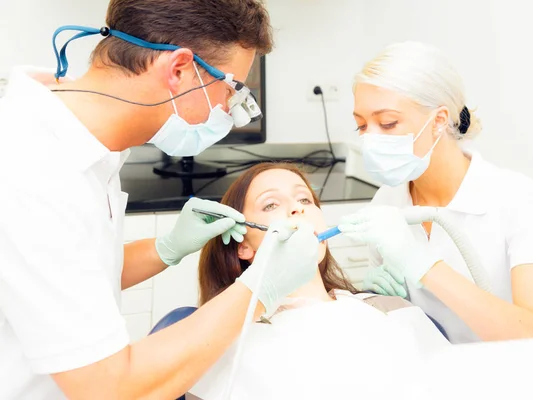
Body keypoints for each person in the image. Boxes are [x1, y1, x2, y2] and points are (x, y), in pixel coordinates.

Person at [0, 1, 319, 399]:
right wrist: (259, 290)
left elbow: (70, 274)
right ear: (179, 70)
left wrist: (166, 248)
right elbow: (111, 390)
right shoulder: (31, 167)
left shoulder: (88, 142)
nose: (228, 111)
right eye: (231, 91)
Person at [340, 41, 533, 344]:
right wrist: (376, 298)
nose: (371, 140)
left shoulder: (519, 198)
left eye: (387, 123)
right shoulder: (387, 200)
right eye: (361, 126)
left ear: (439, 120)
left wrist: (425, 266)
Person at [190, 163, 449, 400]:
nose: (298, 208)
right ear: (242, 246)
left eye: (305, 198)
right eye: (270, 204)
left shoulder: (390, 310)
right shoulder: (226, 340)